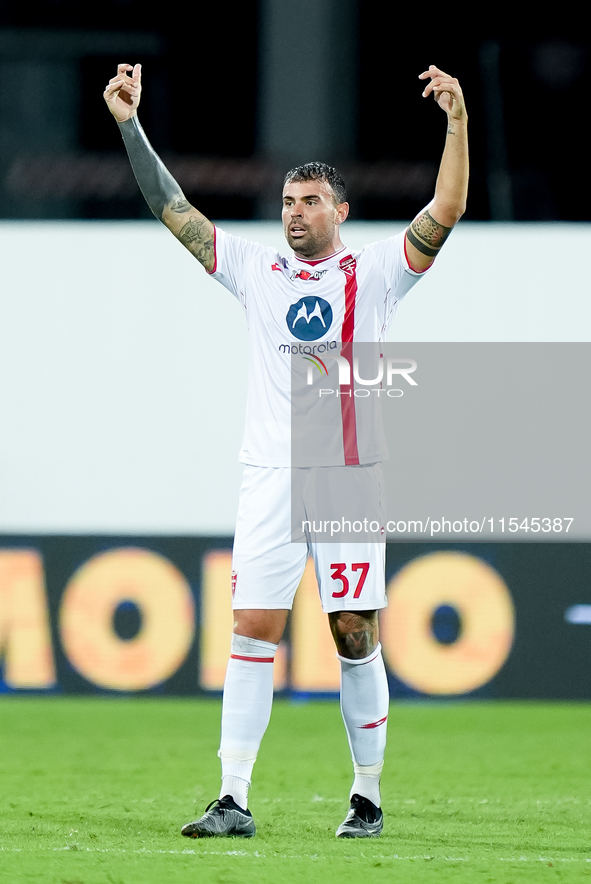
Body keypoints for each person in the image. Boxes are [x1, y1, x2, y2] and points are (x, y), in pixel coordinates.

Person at [104, 62, 468, 839]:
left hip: (344, 476)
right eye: (286, 202)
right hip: (267, 476)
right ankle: (232, 797)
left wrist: (455, 121)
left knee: (352, 631)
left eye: (308, 202)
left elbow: (446, 208)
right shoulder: (254, 267)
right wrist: (130, 124)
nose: (293, 214)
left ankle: (365, 794)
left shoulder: (373, 273)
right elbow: (175, 210)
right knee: (251, 628)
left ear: (339, 210)